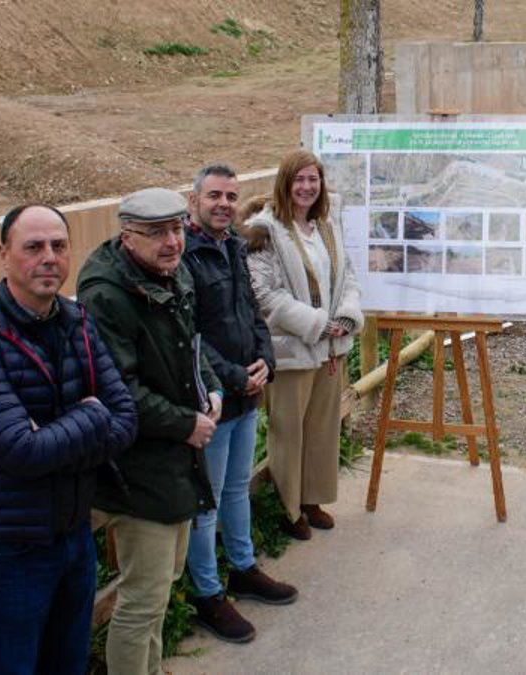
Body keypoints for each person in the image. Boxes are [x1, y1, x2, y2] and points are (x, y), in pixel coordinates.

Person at [0, 204, 137, 675]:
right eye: (33, 247)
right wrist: (91, 417)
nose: (48, 257)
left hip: (73, 534)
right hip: (10, 548)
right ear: (3, 254)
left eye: (58, 245)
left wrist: (56, 439)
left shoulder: (77, 321)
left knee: (68, 663)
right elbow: (19, 450)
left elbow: (125, 418)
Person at [78, 187, 223, 674]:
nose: (173, 242)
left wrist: (212, 386)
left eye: (177, 229)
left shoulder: (169, 272)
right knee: (141, 603)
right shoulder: (107, 296)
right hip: (139, 472)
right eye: (157, 232)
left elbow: (191, 345)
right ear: (128, 237)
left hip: (174, 463)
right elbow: (118, 389)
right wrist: (186, 424)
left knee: (159, 593)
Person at [182, 164, 298, 643]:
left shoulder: (233, 246)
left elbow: (251, 311)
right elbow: (190, 333)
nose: (224, 204)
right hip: (212, 402)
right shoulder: (184, 255)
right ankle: (207, 593)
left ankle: (243, 567)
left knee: (235, 489)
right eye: (214, 195)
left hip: (246, 395)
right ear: (194, 201)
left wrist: (265, 361)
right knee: (206, 502)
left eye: (231, 196)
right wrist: (233, 376)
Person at [245, 150, 363, 541]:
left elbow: (345, 276)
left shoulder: (326, 225)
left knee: (321, 429)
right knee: (288, 432)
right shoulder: (264, 229)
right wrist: (317, 325)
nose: (307, 187)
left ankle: (312, 499)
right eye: (299, 179)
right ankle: (288, 507)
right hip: (292, 352)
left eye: (313, 179)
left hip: (330, 348)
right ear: (285, 182)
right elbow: (264, 293)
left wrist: (346, 317)